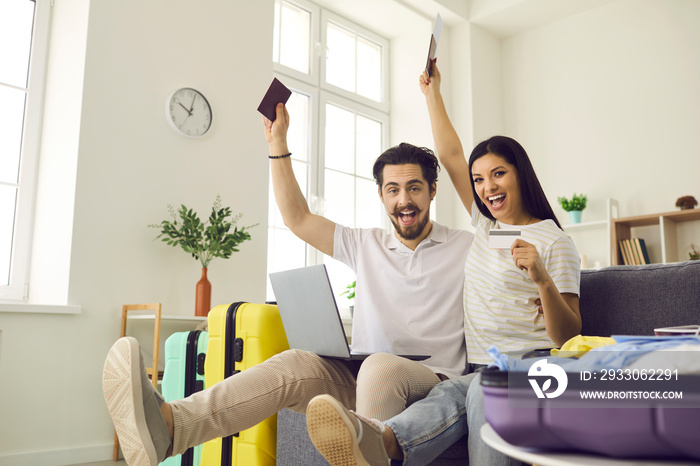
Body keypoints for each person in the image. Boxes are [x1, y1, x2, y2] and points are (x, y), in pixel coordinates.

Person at [102, 102, 474, 466]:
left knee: (381, 367)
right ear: (381, 195)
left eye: (414, 188)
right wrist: (277, 144)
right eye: (393, 190)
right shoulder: (366, 244)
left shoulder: (466, 246)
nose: (404, 200)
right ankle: (174, 427)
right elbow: (297, 218)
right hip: (364, 376)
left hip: (433, 382)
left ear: (432, 190)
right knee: (293, 365)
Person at [304, 62, 582, 465]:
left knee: (485, 390)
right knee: (449, 394)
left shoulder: (556, 242)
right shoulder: (489, 230)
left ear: (520, 175)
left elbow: (568, 336)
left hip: (532, 365)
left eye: (499, 174)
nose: (487, 187)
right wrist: (432, 94)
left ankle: (378, 440)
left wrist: (542, 280)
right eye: (480, 179)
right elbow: (451, 155)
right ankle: (378, 441)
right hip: (479, 367)